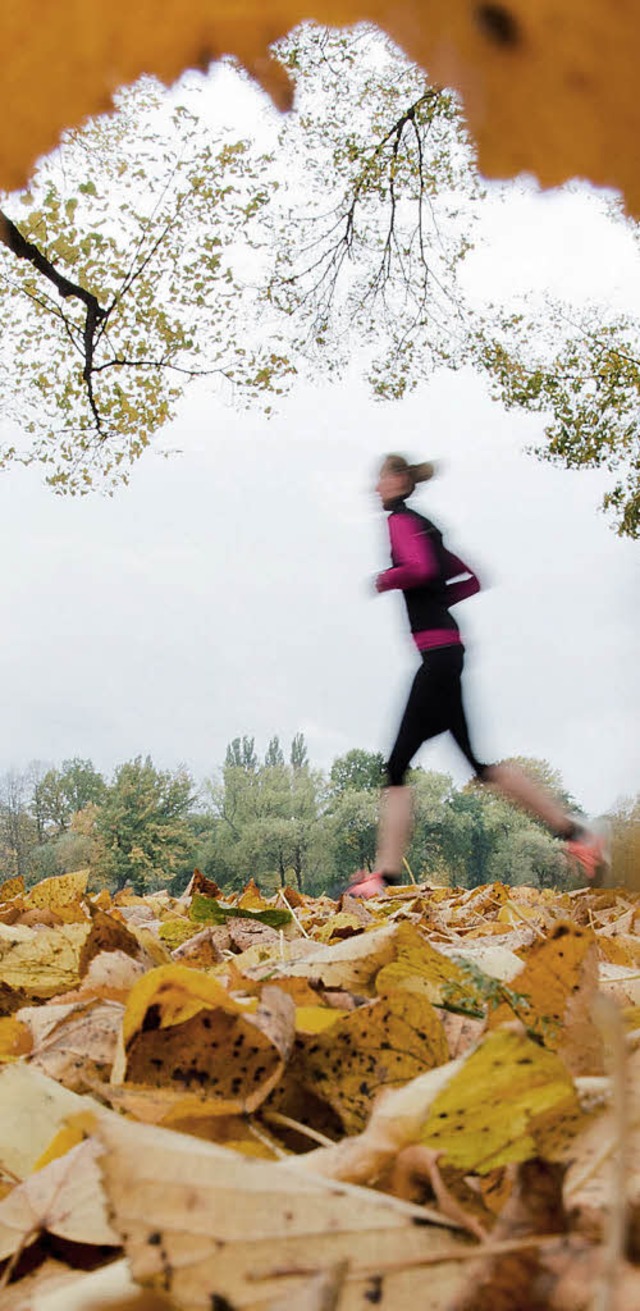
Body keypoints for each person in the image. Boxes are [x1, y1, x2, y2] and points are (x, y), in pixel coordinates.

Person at [347, 453, 611, 897]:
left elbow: (422, 570)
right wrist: (436, 602)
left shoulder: (400, 521)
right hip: (449, 653)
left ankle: (383, 879)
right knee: (479, 765)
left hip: (438, 658)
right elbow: (469, 579)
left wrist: (386, 579)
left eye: (379, 480)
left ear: (396, 480)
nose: (375, 489)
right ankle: (578, 836)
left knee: (397, 766)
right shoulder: (429, 528)